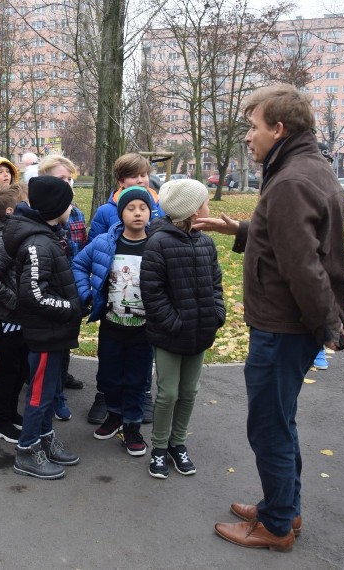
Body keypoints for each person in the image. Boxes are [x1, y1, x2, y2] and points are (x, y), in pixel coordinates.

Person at [194, 84, 344, 552]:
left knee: (268, 426)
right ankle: (285, 506)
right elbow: (288, 240)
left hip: (284, 328)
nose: (247, 135)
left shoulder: (290, 181)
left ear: (278, 129)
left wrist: (327, 325)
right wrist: (239, 228)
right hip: (291, 324)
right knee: (281, 421)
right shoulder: (304, 168)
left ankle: (276, 525)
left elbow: (304, 267)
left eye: (253, 126)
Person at [140, 180, 225, 479]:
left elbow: (216, 283)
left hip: (200, 331)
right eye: (204, 203)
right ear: (191, 211)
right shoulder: (159, 243)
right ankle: (159, 448)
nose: (209, 208)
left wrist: (217, 313)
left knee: (189, 391)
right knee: (168, 393)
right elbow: (152, 292)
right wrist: (173, 323)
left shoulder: (206, 242)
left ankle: (178, 443)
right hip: (170, 334)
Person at [3, 175, 82, 479]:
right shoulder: (37, 243)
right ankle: (27, 450)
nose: (71, 207)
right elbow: (33, 295)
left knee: (50, 391)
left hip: (56, 332)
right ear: (57, 207)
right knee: (38, 395)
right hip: (44, 333)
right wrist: (71, 308)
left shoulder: (48, 236)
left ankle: (45, 438)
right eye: (69, 202)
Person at [72, 187, 156, 451]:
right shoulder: (105, 243)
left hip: (145, 329)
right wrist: (86, 293)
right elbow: (78, 264)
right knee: (108, 375)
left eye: (143, 208)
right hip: (111, 325)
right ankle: (114, 415)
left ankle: (132, 426)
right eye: (131, 208)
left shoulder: (157, 244)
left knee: (137, 379)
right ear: (121, 213)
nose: (137, 213)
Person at [86, 152, 163, 425]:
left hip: (146, 301)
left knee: (141, 354)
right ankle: (104, 397)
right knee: (111, 353)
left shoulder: (156, 207)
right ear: (121, 181)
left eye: (144, 174)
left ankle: (142, 395)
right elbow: (94, 249)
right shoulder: (107, 211)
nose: (141, 179)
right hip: (115, 297)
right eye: (134, 175)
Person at [38, 155, 87, 398]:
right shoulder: (40, 214)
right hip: (48, 286)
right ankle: (46, 384)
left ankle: (61, 375)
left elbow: (81, 249)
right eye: (61, 178)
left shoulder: (76, 213)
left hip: (72, 283)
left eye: (69, 179)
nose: (67, 183)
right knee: (49, 340)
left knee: (69, 334)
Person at [0, 186, 28, 443]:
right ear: (11, 212)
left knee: (20, 368)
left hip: (16, 318)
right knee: (10, 371)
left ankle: (11, 413)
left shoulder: (13, 236)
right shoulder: (3, 241)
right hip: (6, 319)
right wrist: (14, 302)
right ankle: (0, 421)